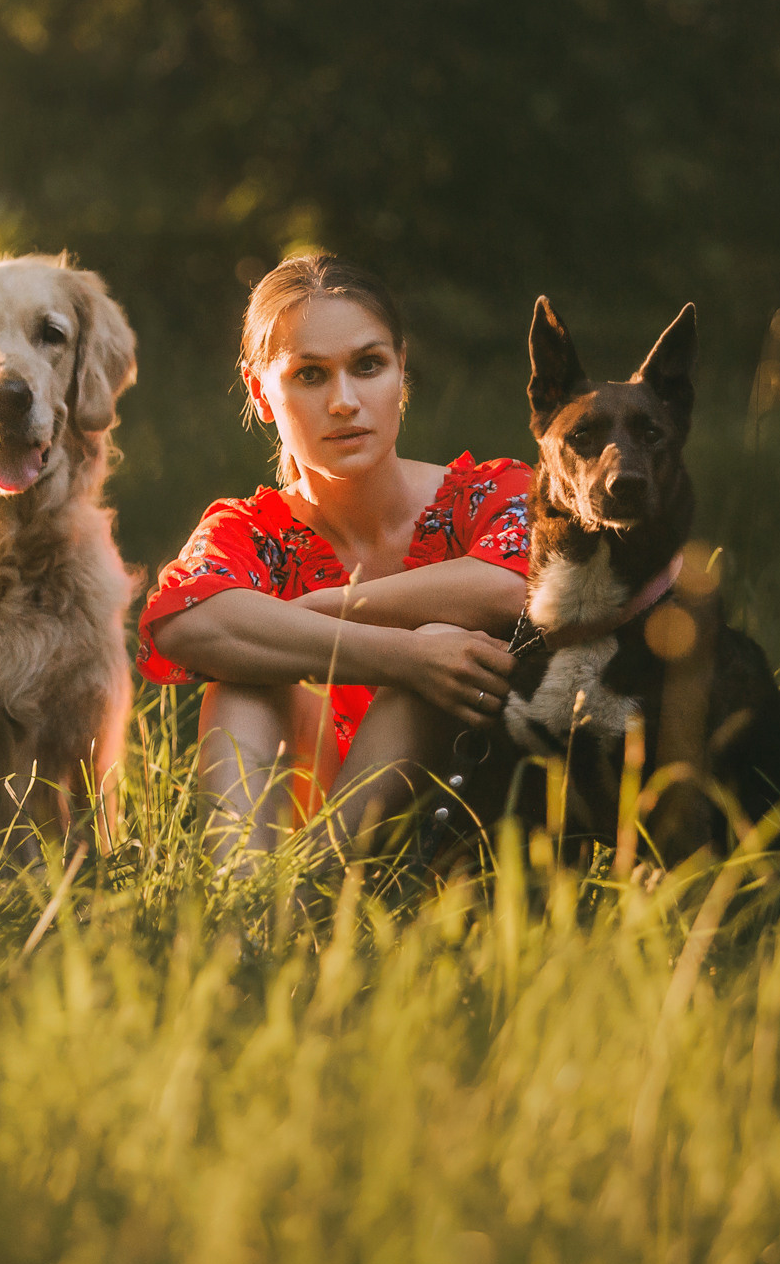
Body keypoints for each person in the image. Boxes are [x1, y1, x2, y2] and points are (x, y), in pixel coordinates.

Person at [138, 254, 532, 864]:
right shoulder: (252, 529)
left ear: (402, 371)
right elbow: (186, 619)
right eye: (311, 375)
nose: (345, 401)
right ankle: (244, 910)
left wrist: (331, 605)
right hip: (301, 797)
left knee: (447, 641)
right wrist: (408, 657)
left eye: (368, 366)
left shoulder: (491, 492)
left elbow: (516, 584)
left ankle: (308, 893)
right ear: (260, 393)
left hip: (467, 822)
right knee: (244, 687)